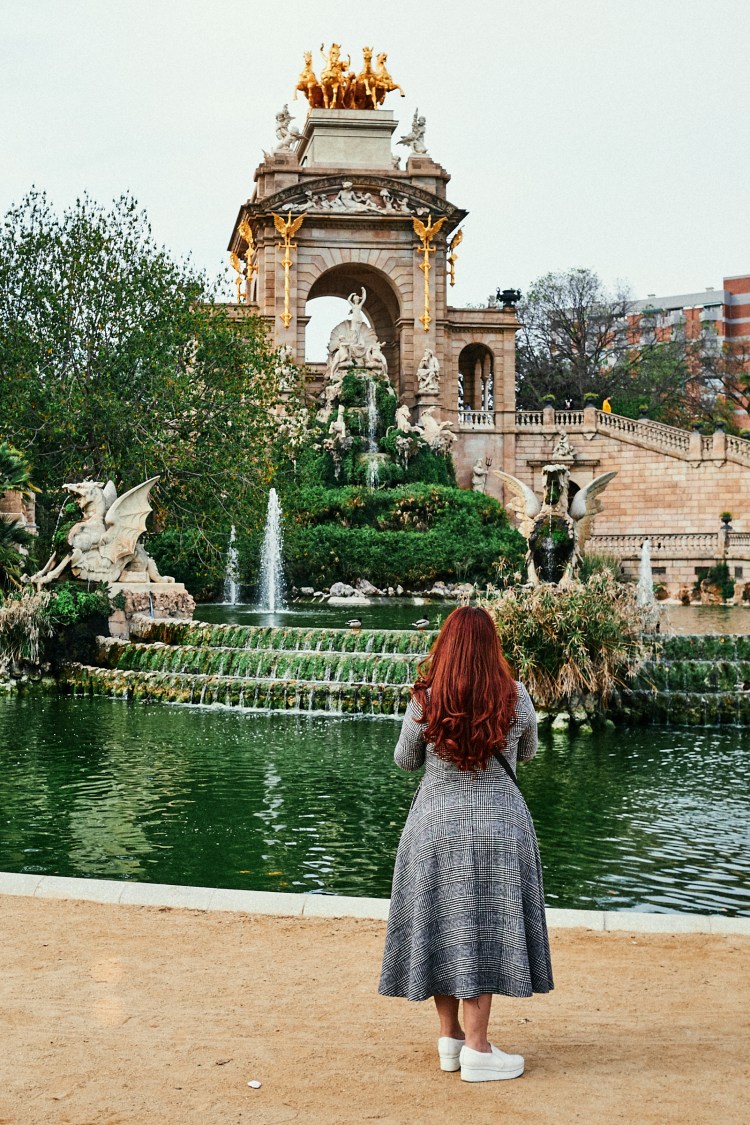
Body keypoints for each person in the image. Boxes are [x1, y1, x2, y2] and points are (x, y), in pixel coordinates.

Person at [379, 606, 553, 1082]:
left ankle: (452, 1038)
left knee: (445, 927)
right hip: (499, 827)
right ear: (491, 647)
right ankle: (477, 1048)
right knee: (486, 928)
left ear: (446, 646)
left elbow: (404, 761)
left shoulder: (425, 699)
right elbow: (529, 753)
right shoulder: (516, 697)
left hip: (435, 828)